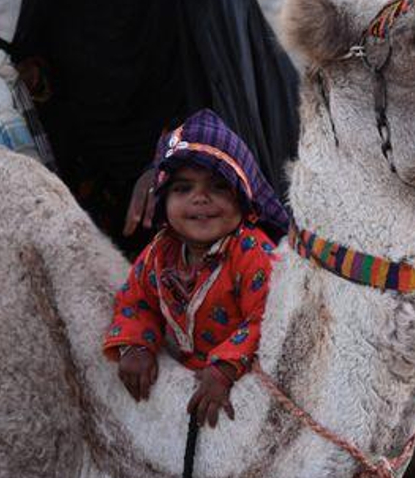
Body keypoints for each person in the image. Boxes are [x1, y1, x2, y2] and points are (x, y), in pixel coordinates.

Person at [11, 0, 299, 255]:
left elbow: (217, 86)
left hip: (183, 167)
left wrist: (165, 163)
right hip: (88, 166)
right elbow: (37, 58)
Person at [102, 109, 288, 427]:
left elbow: (267, 319)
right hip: (189, 384)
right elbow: (137, 300)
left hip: (245, 387)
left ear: (243, 199)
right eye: (182, 188)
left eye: (218, 187)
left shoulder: (253, 253)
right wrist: (136, 344)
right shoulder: (160, 253)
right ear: (163, 202)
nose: (200, 198)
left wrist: (224, 370)